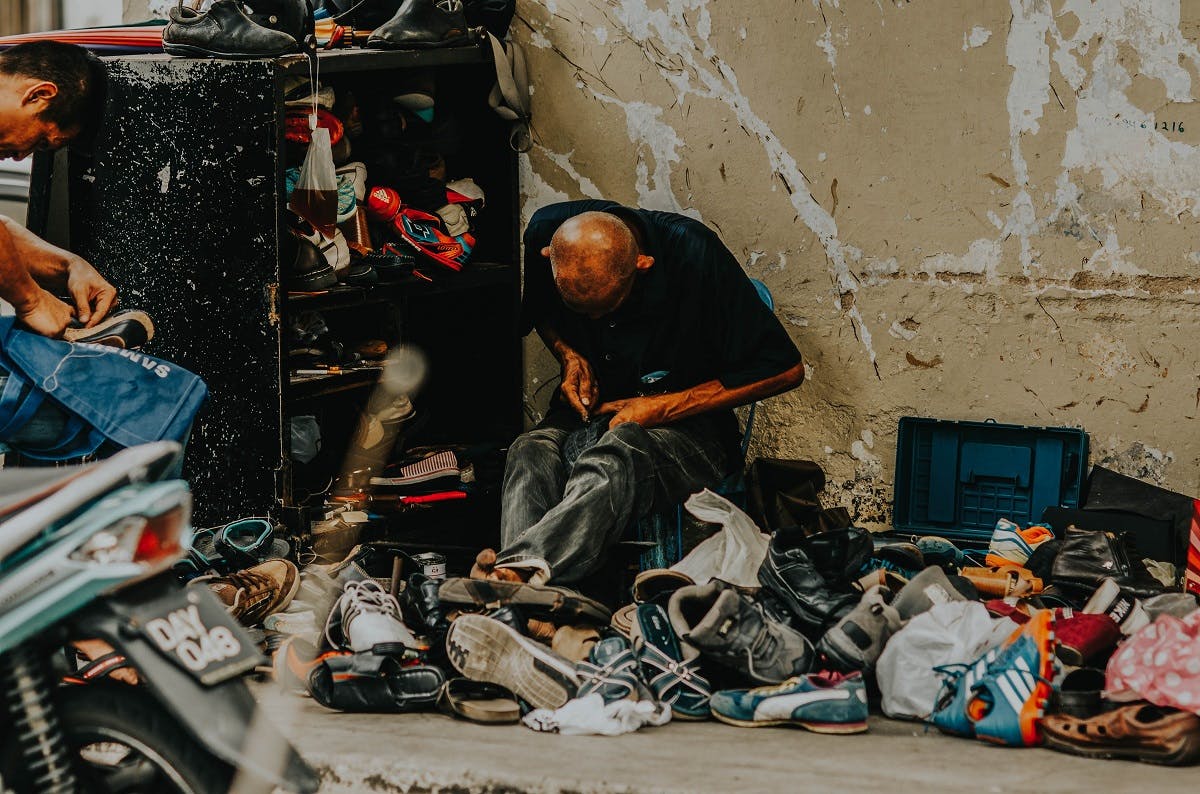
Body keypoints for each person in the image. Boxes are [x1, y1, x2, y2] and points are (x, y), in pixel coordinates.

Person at [472, 201, 805, 585]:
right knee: (528, 451)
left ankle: (518, 581)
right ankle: (529, 602)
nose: (595, 321)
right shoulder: (546, 232)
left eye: (606, 306)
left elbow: (785, 368)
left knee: (617, 455)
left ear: (642, 265)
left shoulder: (695, 254)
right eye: (580, 310)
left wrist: (661, 408)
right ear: (551, 256)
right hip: (589, 413)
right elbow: (541, 313)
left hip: (687, 429)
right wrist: (568, 354)